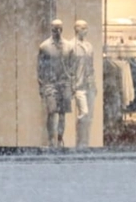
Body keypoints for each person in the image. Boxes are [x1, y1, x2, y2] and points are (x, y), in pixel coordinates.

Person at [37, 19, 74, 149]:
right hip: (50, 83)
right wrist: (41, 85)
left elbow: (72, 66)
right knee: (51, 112)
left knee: (62, 113)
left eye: (59, 28)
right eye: (55, 29)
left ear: (62, 29)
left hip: (64, 82)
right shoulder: (44, 46)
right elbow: (40, 68)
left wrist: (72, 84)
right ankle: (51, 140)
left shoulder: (69, 46)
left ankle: (59, 139)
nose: (57, 31)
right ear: (51, 29)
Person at [70, 19, 98, 149]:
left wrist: (94, 84)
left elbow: (91, 67)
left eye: (86, 28)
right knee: (84, 113)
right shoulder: (71, 46)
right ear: (76, 29)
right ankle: (80, 143)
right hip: (78, 85)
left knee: (89, 117)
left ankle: (85, 143)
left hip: (89, 85)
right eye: (83, 28)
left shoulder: (89, 46)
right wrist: (71, 84)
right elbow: (68, 67)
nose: (85, 30)